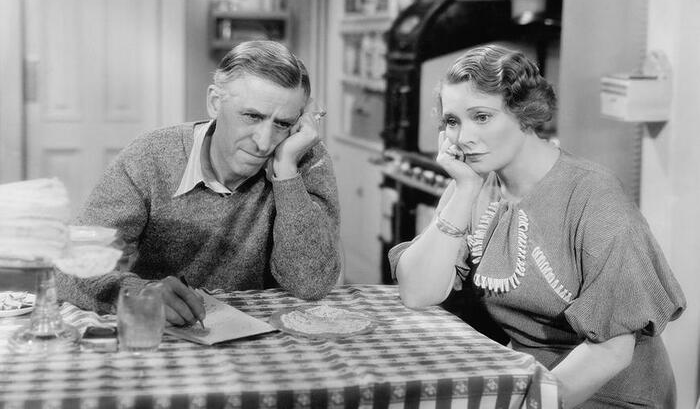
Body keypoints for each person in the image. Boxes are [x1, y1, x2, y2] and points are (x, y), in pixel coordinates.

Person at [389, 44, 686, 408]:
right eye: (453, 121)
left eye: (481, 116)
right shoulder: (476, 182)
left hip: (609, 393)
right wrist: (464, 190)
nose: (463, 137)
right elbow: (418, 292)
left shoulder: (594, 196)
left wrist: (527, 403)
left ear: (524, 113)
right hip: (529, 378)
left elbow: (611, 350)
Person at [57, 40, 341, 327]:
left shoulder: (302, 158)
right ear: (215, 103)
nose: (264, 142)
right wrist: (138, 292)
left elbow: (311, 284)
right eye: (252, 116)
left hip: (263, 348)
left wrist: (286, 173)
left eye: (282, 124)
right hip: (160, 339)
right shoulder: (150, 156)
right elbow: (72, 265)